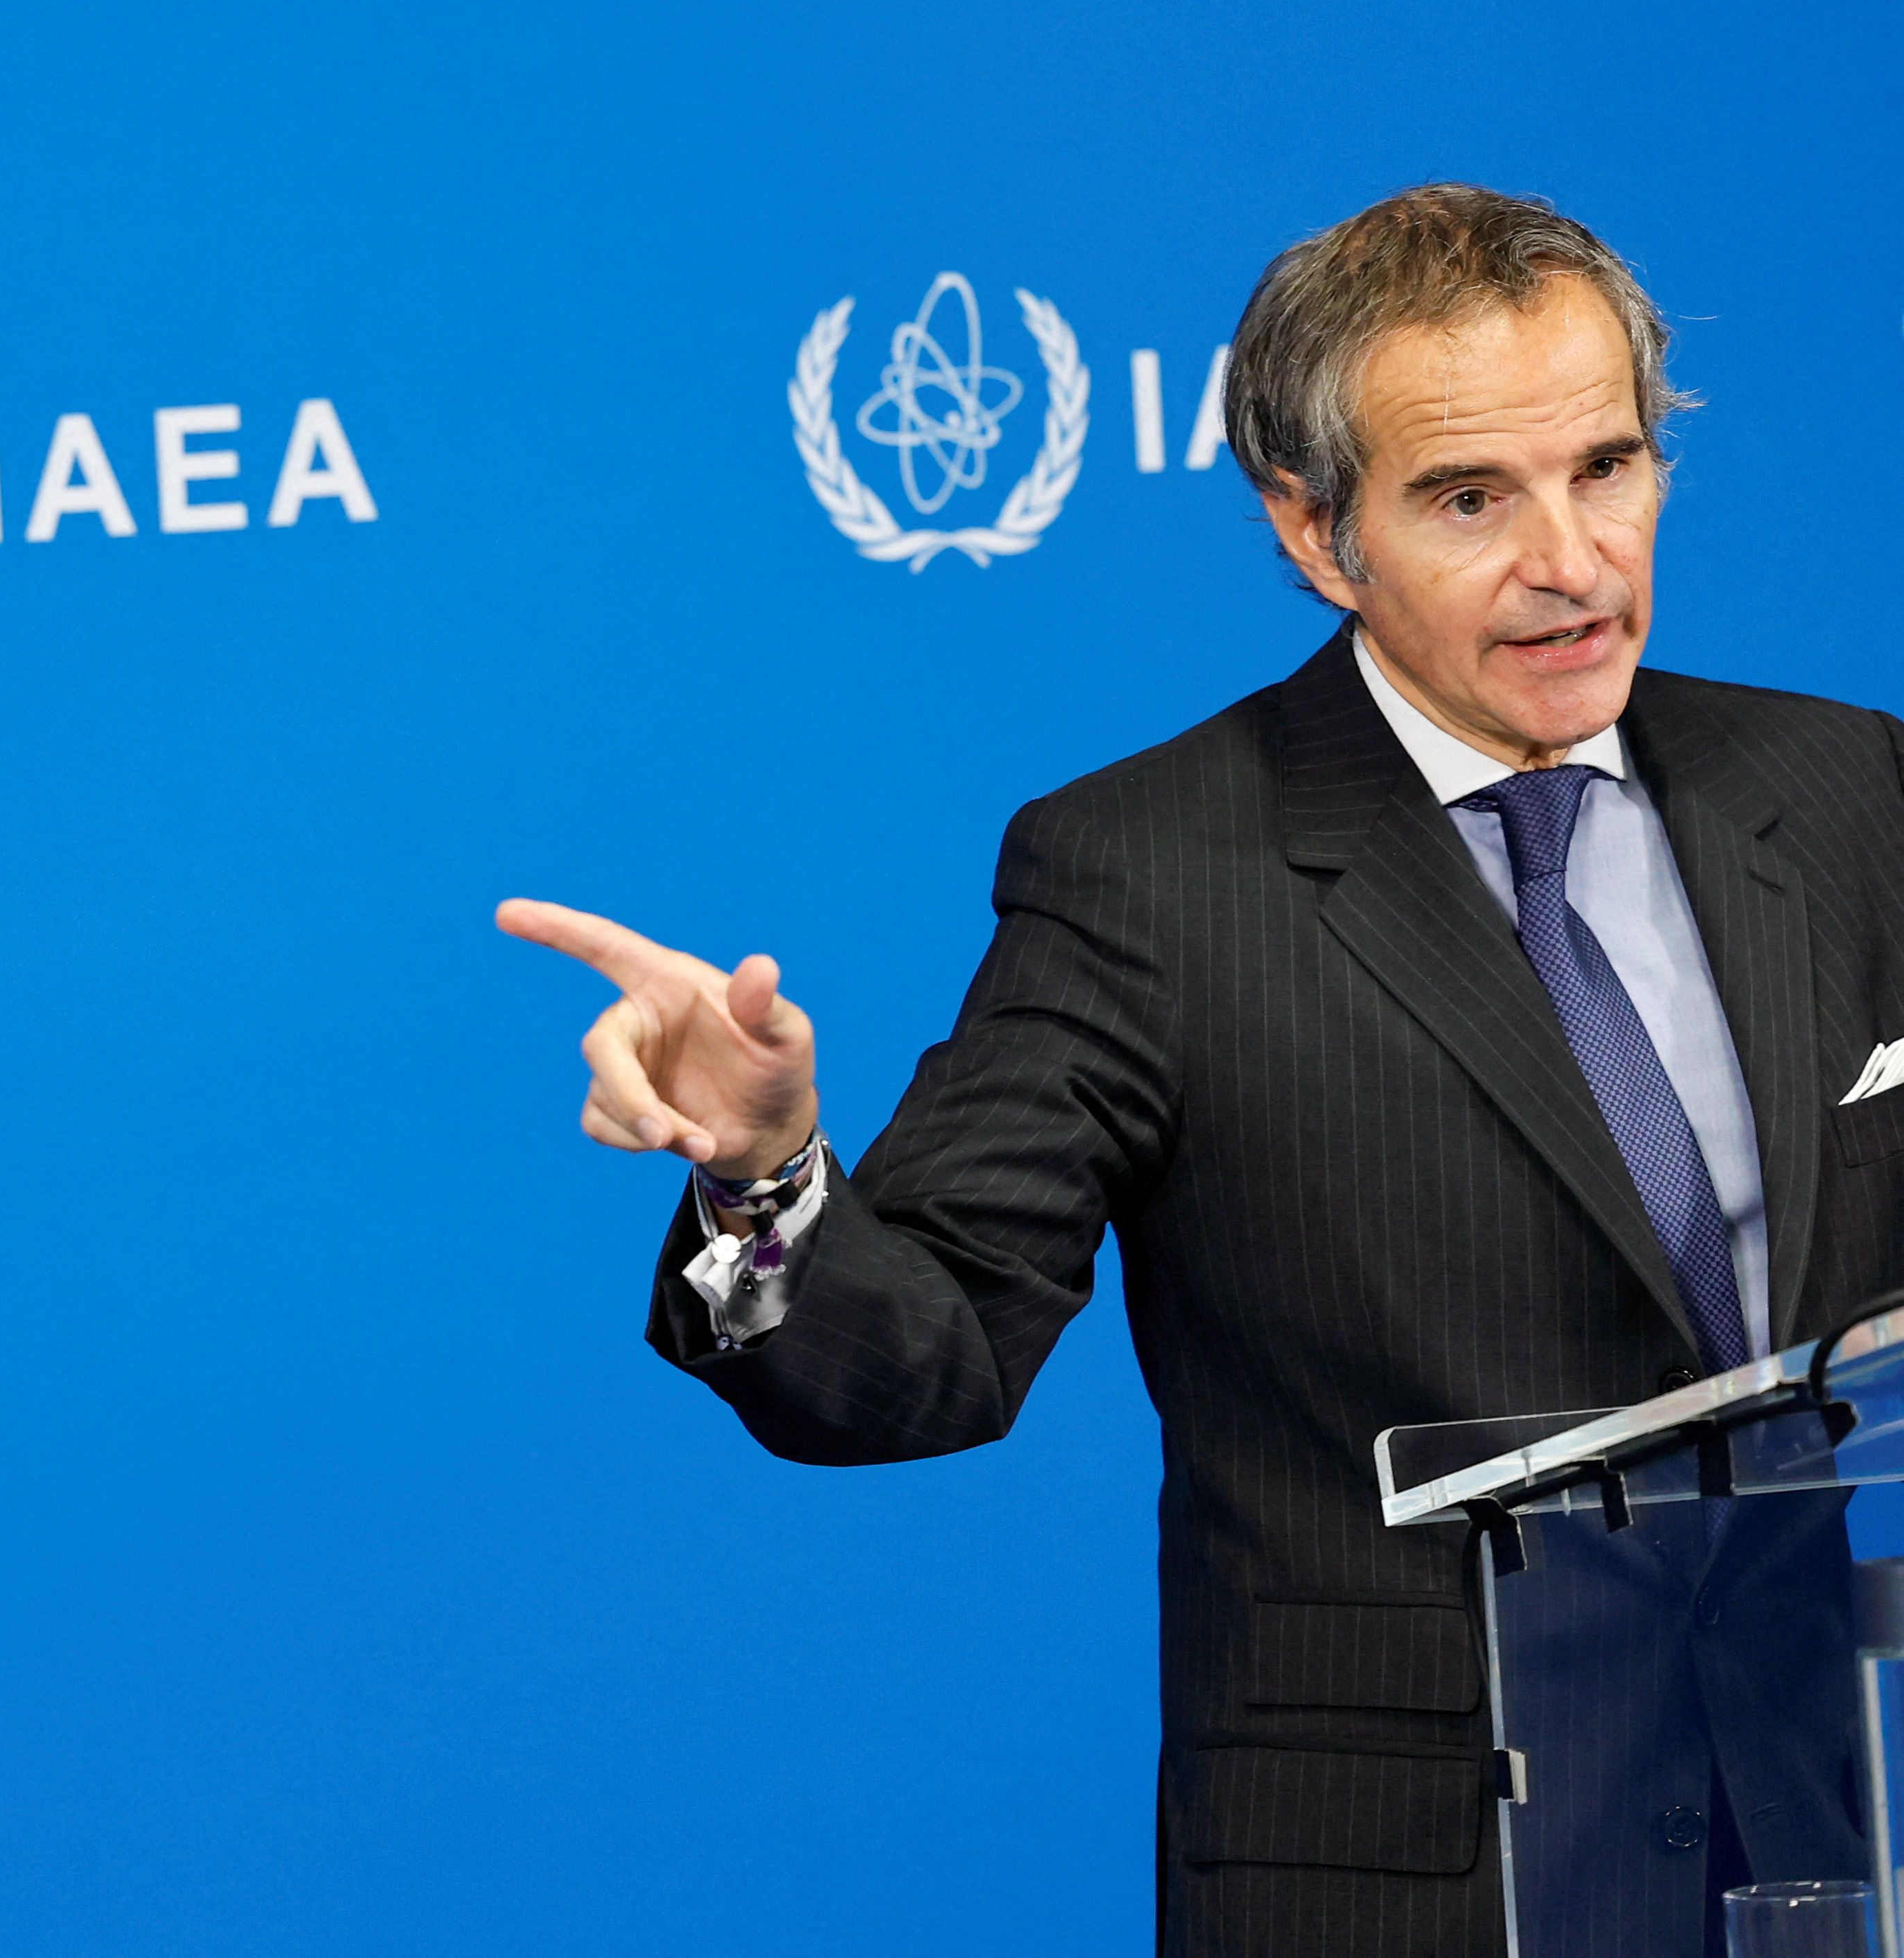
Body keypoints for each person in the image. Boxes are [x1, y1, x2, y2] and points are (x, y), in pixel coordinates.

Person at [501, 186, 1904, 1956]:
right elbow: (914, 1360)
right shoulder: (1151, 871)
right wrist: (767, 1171)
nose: (1575, 559)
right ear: (1316, 533)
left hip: (1836, 1818)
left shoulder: (1851, 791)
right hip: (1416, 1886)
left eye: (1607, 468)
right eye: (1472, 497)